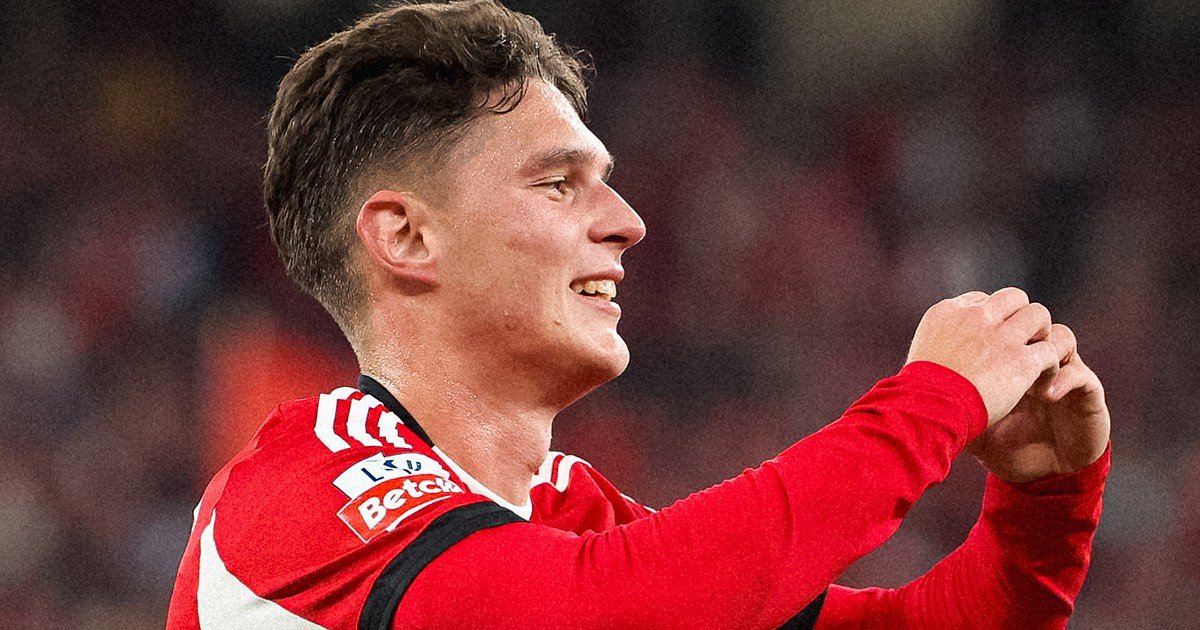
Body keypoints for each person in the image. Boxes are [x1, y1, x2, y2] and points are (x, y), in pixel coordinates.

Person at [166, 1, 1111, 628]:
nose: (627, 221)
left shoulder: (571, 514)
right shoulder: (298, 495)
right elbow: (613, 613)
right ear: (407, 237)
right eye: (558, 184)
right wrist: (932, 401)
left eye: (606, 182)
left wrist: (1044, 501)